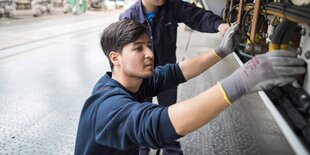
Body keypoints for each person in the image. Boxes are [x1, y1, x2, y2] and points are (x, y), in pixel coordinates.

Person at [74, 20, 305, 155]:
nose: (150, 54)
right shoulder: (107, 106)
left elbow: (174, 72)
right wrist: (241, 81)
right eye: (138, 49)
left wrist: (221, 51)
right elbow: (158, 124)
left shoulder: (131, 81)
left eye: (148, 45)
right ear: (115, 58)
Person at [120, 1, 229, 153]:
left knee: (170, 116)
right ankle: (141, 149)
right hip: (140, 79)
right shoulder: (128, 17)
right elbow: (121, 55)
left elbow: (197, 16)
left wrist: (220, 25)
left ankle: (171, 150)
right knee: (139, 117)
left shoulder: (173, 6)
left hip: (167, 77)